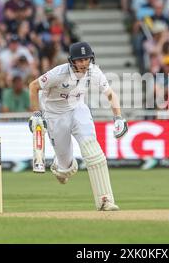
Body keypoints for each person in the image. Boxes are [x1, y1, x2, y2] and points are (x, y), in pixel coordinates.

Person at [28, 41, 128, 211]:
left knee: (94, 153)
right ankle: (60, 168)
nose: (84, 63)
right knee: (67, 168)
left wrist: (118, 117)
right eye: (80, 60)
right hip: (55, 115)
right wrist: (37, 114)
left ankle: (105, 200)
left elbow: (110, 94)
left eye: (87, 59)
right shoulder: (58, 73)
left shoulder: (94, 72)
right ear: (72, 61)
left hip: (78, 109)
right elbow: (33, 86)